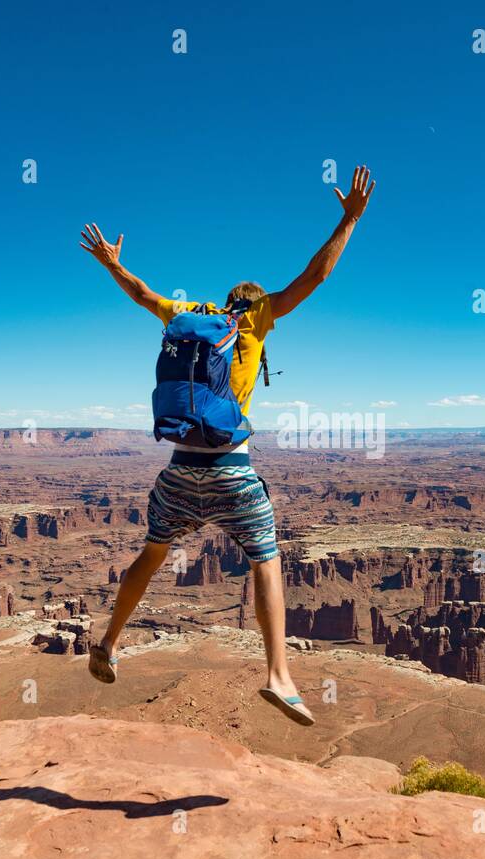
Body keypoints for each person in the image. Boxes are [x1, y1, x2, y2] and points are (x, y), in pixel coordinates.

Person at [78, 166, 377, 725]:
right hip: (231, 471)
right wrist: (351, 218)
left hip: (178, 470)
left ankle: (110, 644)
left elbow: (143, 294)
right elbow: (314, 277)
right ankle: (279, 677)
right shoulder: (257, 317)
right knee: (266, 559)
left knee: (151, 553)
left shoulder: (192, 317)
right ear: (256, 307)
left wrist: (112, 263)